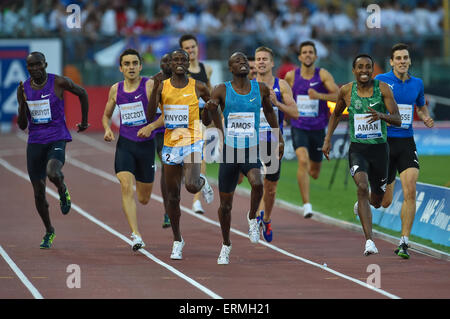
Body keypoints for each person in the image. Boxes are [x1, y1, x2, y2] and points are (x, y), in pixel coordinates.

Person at [206, 52, 284, 264]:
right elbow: (208, 117)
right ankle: (226, 244)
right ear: (230, 68)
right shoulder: (222, 89)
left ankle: (252, 218)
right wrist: (216, 123)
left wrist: (279, 137)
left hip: (250, 148)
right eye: (236, 61)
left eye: (244, 61)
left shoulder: (260, 89)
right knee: (225, 207)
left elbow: (269, 112)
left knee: (258, 182)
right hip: (231, 152)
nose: (242, 63)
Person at [322, 54, 401, 256]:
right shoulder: (347, 91)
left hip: (380, 150)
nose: (364, 70)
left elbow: (398, 119)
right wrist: (327, 139)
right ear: (354, 70)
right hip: (358, 150)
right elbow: (336, 114)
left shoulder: (382, 89)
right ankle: (369, 242)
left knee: (377, 200)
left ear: (372, 69)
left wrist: (382, 115)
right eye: (360, 67)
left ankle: (362, 204)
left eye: (368, 67)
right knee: (362, 185)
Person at [143, 49, 214, 260]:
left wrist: (209, 112)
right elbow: (149, 116)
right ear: (170, 64)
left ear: (188, 61)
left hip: (192, 141)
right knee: (173, 197)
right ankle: (177, 240)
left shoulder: (198, 86)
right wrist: (156, 89)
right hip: (170, 144)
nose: (180, 62)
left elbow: (210, 115)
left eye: (184, 59)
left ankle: (201, 182)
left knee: (191, 185)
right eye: (176, 60)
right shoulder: (162, 86)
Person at [16, 51, 89, 249]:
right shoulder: (22, 88)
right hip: (35, 142)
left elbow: (82, 93)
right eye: (31, 66)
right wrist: (22, 104)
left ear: (45, 64)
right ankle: (49, 230)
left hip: (57, 136)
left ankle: (62, 189)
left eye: (38, 65)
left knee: (53, 172)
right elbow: (22, 125)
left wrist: (84, 121)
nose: (35, 69)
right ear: (27, 68)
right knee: (38, 193)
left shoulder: (58, 82)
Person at [376, 43, 434, 259]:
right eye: (398, 58)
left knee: (410, 190)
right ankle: (368, 197)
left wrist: (426, 116)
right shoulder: (381, 81)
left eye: (405, 58)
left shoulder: (417, 83)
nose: (402, 61)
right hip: (385, 143)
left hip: (407, 143)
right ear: (391, 62)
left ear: (410, 61)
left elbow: (421, 105)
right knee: (385, 201)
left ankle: (404, 242)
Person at [102, 48, 157, 251]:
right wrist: (107, 129)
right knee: (126, 185)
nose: (131, 67)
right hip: (125, 144)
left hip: (146, 146)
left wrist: (150, 126)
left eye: (135, 63)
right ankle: (136, 234)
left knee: (143, 198)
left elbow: (163, 115)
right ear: (121, 68)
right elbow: (106, 116)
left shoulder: (149, 86)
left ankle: (151, 171)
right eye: (127, 64)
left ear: (141, 66)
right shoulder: (115, 90)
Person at [285, 41, 339, 218]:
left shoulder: (322, 74)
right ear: (299, 57)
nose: (307, 55)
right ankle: (307, 204)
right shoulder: (291, 76)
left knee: (314, 172)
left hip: (318, 128)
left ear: (315, 56)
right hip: (298, 126)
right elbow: (283, 96)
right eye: (304, 52)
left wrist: (319, 96)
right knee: (302, 161)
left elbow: (338, 95)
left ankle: (306, 177)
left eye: (310, 52)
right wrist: (285, 116)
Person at [254, 46, 299, 242]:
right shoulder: (248, 86)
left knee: (270, 187)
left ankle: (267, 218)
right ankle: (255, 219)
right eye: (258, 59)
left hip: (273, 141)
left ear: (272, 63)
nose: (261, 62)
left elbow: (295, 112)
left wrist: (276, 103)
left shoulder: (281, 85)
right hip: (252, 141)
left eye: (265, 59)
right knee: (253, 181)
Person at [179, 34, 214, 215]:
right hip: (180, 121)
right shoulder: (179, 71)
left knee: (200, 157)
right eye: (187, 48)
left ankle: (196, 201)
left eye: (193, 47)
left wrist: (215, 113)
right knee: (184, 163)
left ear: (197, 48)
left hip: (198, 120)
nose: (191, 50)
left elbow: (209, 92)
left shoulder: (206, 69)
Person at [150, 53, 172, 229]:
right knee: (166, 167)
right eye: (164, 61)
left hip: (181, 130)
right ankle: (168, 210)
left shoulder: (184, 81)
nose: (167, 64)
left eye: (170, 61)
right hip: (160, 131)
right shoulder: (153, 81)